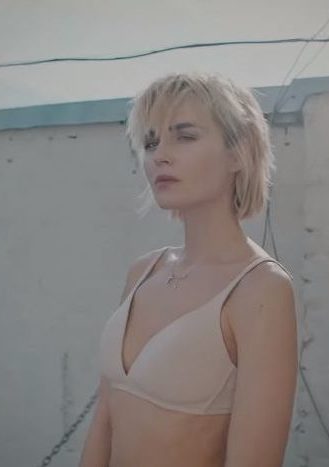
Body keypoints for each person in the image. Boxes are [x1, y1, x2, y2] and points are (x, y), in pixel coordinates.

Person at [79, 71, 298, 467]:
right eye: (151, 142)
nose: (159, 155)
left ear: (238, 153)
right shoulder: (143, 271)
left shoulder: (261, 289)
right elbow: (105, 419)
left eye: (185, 136)